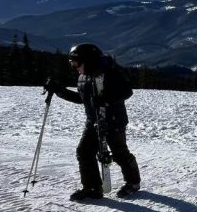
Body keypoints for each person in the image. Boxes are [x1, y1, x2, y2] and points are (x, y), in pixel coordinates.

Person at [45, 43, 142, 201]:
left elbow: (127, 91)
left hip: (113, 120)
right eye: (71, 63)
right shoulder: (84, 76)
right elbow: (82, 99)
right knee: (84, 152)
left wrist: (106, 100)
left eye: (76, 62)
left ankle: (133, 182)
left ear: (88, 60)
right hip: (93, 121)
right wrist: (59, 90)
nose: (74, 67)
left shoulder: (109, 73)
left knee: (119, 154)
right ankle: (92, 187)